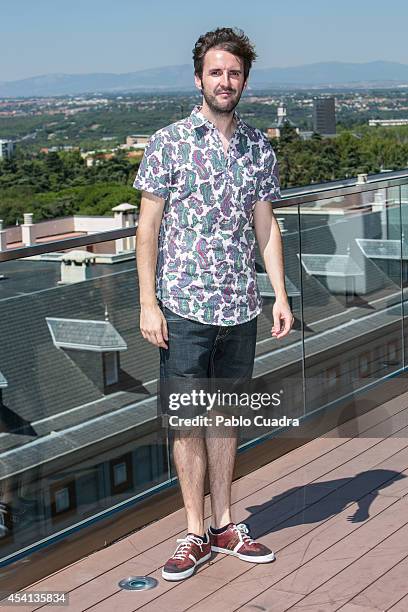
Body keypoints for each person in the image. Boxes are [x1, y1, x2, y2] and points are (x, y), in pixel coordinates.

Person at [133, 26, 294, 582]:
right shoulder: (169, 141)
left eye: (234, 73)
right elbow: (147, 228)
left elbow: (265, 225)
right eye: (216, 72)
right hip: (183, 308)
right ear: (198, 77)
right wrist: (147, 303)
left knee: (225, 418)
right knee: (187, 422)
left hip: (240, 307)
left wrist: (278, 292)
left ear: (244, 80)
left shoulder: (257, 147)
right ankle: (193, 531)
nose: (225, 81)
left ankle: (227, 525)